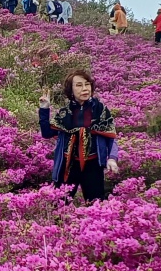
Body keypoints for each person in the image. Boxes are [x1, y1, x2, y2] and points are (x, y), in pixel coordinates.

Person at [39, 71, 119, 203]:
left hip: (93, 165)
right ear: (71, 90)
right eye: (79, 85)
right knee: (60, 204)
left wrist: (112, 158)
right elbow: (47, 133)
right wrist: (44, 109)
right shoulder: (65, 113)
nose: (84, 89)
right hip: (68, 165)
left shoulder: (100, 110)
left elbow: (111, 137)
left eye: (87, 84)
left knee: (96, 204)